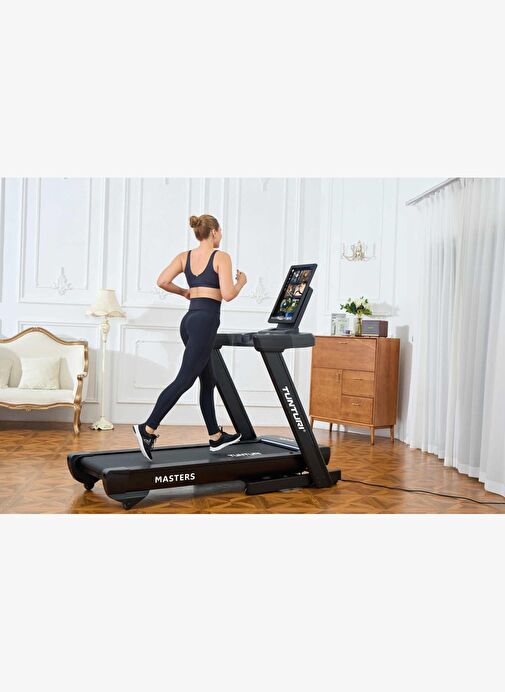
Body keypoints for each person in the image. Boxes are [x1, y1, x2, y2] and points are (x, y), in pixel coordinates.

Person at [132, 214, 248, 461]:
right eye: (220, 231)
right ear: (214, 232)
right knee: (184, 380)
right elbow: (228, 294)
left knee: (208, 380)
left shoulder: (184, 257)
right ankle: (147, 428)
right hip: (205, 322)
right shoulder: (221, 257)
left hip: (189, 321)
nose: (221, 235)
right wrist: (241, 282)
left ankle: (215, 436)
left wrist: (185, 292)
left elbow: (162, 281)